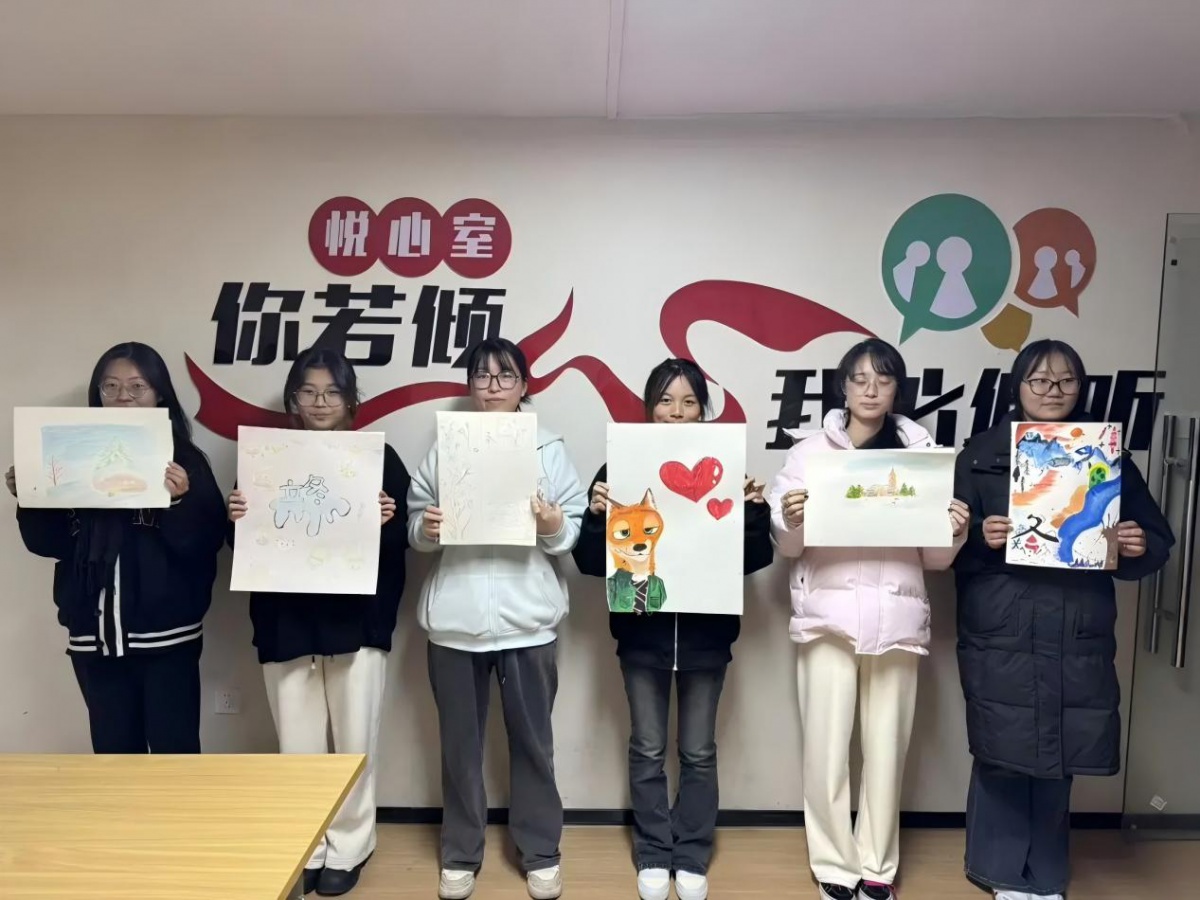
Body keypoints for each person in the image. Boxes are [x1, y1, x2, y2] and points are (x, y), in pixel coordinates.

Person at [952, 339, 1173, 900]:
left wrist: (1135, 544)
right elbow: (942, 544)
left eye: (1066, 381)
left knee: (1059, 746)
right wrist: (979, 536)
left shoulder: (1105, 454)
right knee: (1002, 744)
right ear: (1017, 386)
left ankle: (1046, 875)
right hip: (1002, 621)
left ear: (1080, 387)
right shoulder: (980, 453)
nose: (1052, 391)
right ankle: (1001, 873)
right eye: (1040, 380)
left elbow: (1154, 540)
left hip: (1077, 620)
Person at [766, 338, 970, 900]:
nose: (871, 390)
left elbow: (935, 559)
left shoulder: (924, 456)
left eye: (883, 379)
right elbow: (787, 546)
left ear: (897, 389)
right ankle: (834, 863)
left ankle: (878, 862)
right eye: (860, 379)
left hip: (898, 619)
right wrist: (790, 519)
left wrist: (953, 531)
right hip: (827, 618)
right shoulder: (809, 453)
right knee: (826, 750)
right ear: (843, 387)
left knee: (887, 750)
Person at [571, 357, 774, 900]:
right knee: (646, 747)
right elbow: (589, 563)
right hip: (642, 634)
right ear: (649, 408)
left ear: (703, 411)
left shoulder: (723, 467)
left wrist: (755, 512)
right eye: (665, 401)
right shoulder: (619, 467)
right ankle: (654, 852)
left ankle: (691, 854)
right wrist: (595, 518)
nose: (676, 412)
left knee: (699, 751)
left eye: (688, 402)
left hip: (707, 638)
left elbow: (755, 560)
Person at [226, 346, 410, 898]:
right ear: (292, 399)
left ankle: (351, 844)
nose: (320, 402)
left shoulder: (380, 458)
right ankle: (307, 845)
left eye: (332, 392)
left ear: (351, 400)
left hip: (357, 622)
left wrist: (387, 520)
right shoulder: (267, 458)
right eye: (308, 391)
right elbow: (248, 545)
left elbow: (404, 545)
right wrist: (237, 518)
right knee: (297, 744)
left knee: (355, 741)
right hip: (286, 620)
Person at [406, 337, 587, 900]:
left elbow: (572, 530)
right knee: (459, 748)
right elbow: (415, 524)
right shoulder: (445, 448)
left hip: (528, 620)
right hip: (455, 622)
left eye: (505, 376)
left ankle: (541, 851)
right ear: (469, 385)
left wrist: (553, 524)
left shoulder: (547, 449)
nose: (492, 387)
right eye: (481, 377)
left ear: (524, 386)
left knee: (533, 744)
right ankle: (460, 852)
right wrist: (425, 529)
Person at [5, 342, 225, 753]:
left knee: (175, 754)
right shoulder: (67, 456)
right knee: (112, 757)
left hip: (167, 637)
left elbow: (207, 543)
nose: (124, 396)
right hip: (93, 636)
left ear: (159, 394)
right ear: (98, 394)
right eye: (111, 386)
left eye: (137, 386)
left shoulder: (184, 461)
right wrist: (31, 497)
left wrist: (179, 502)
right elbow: (46, 543)